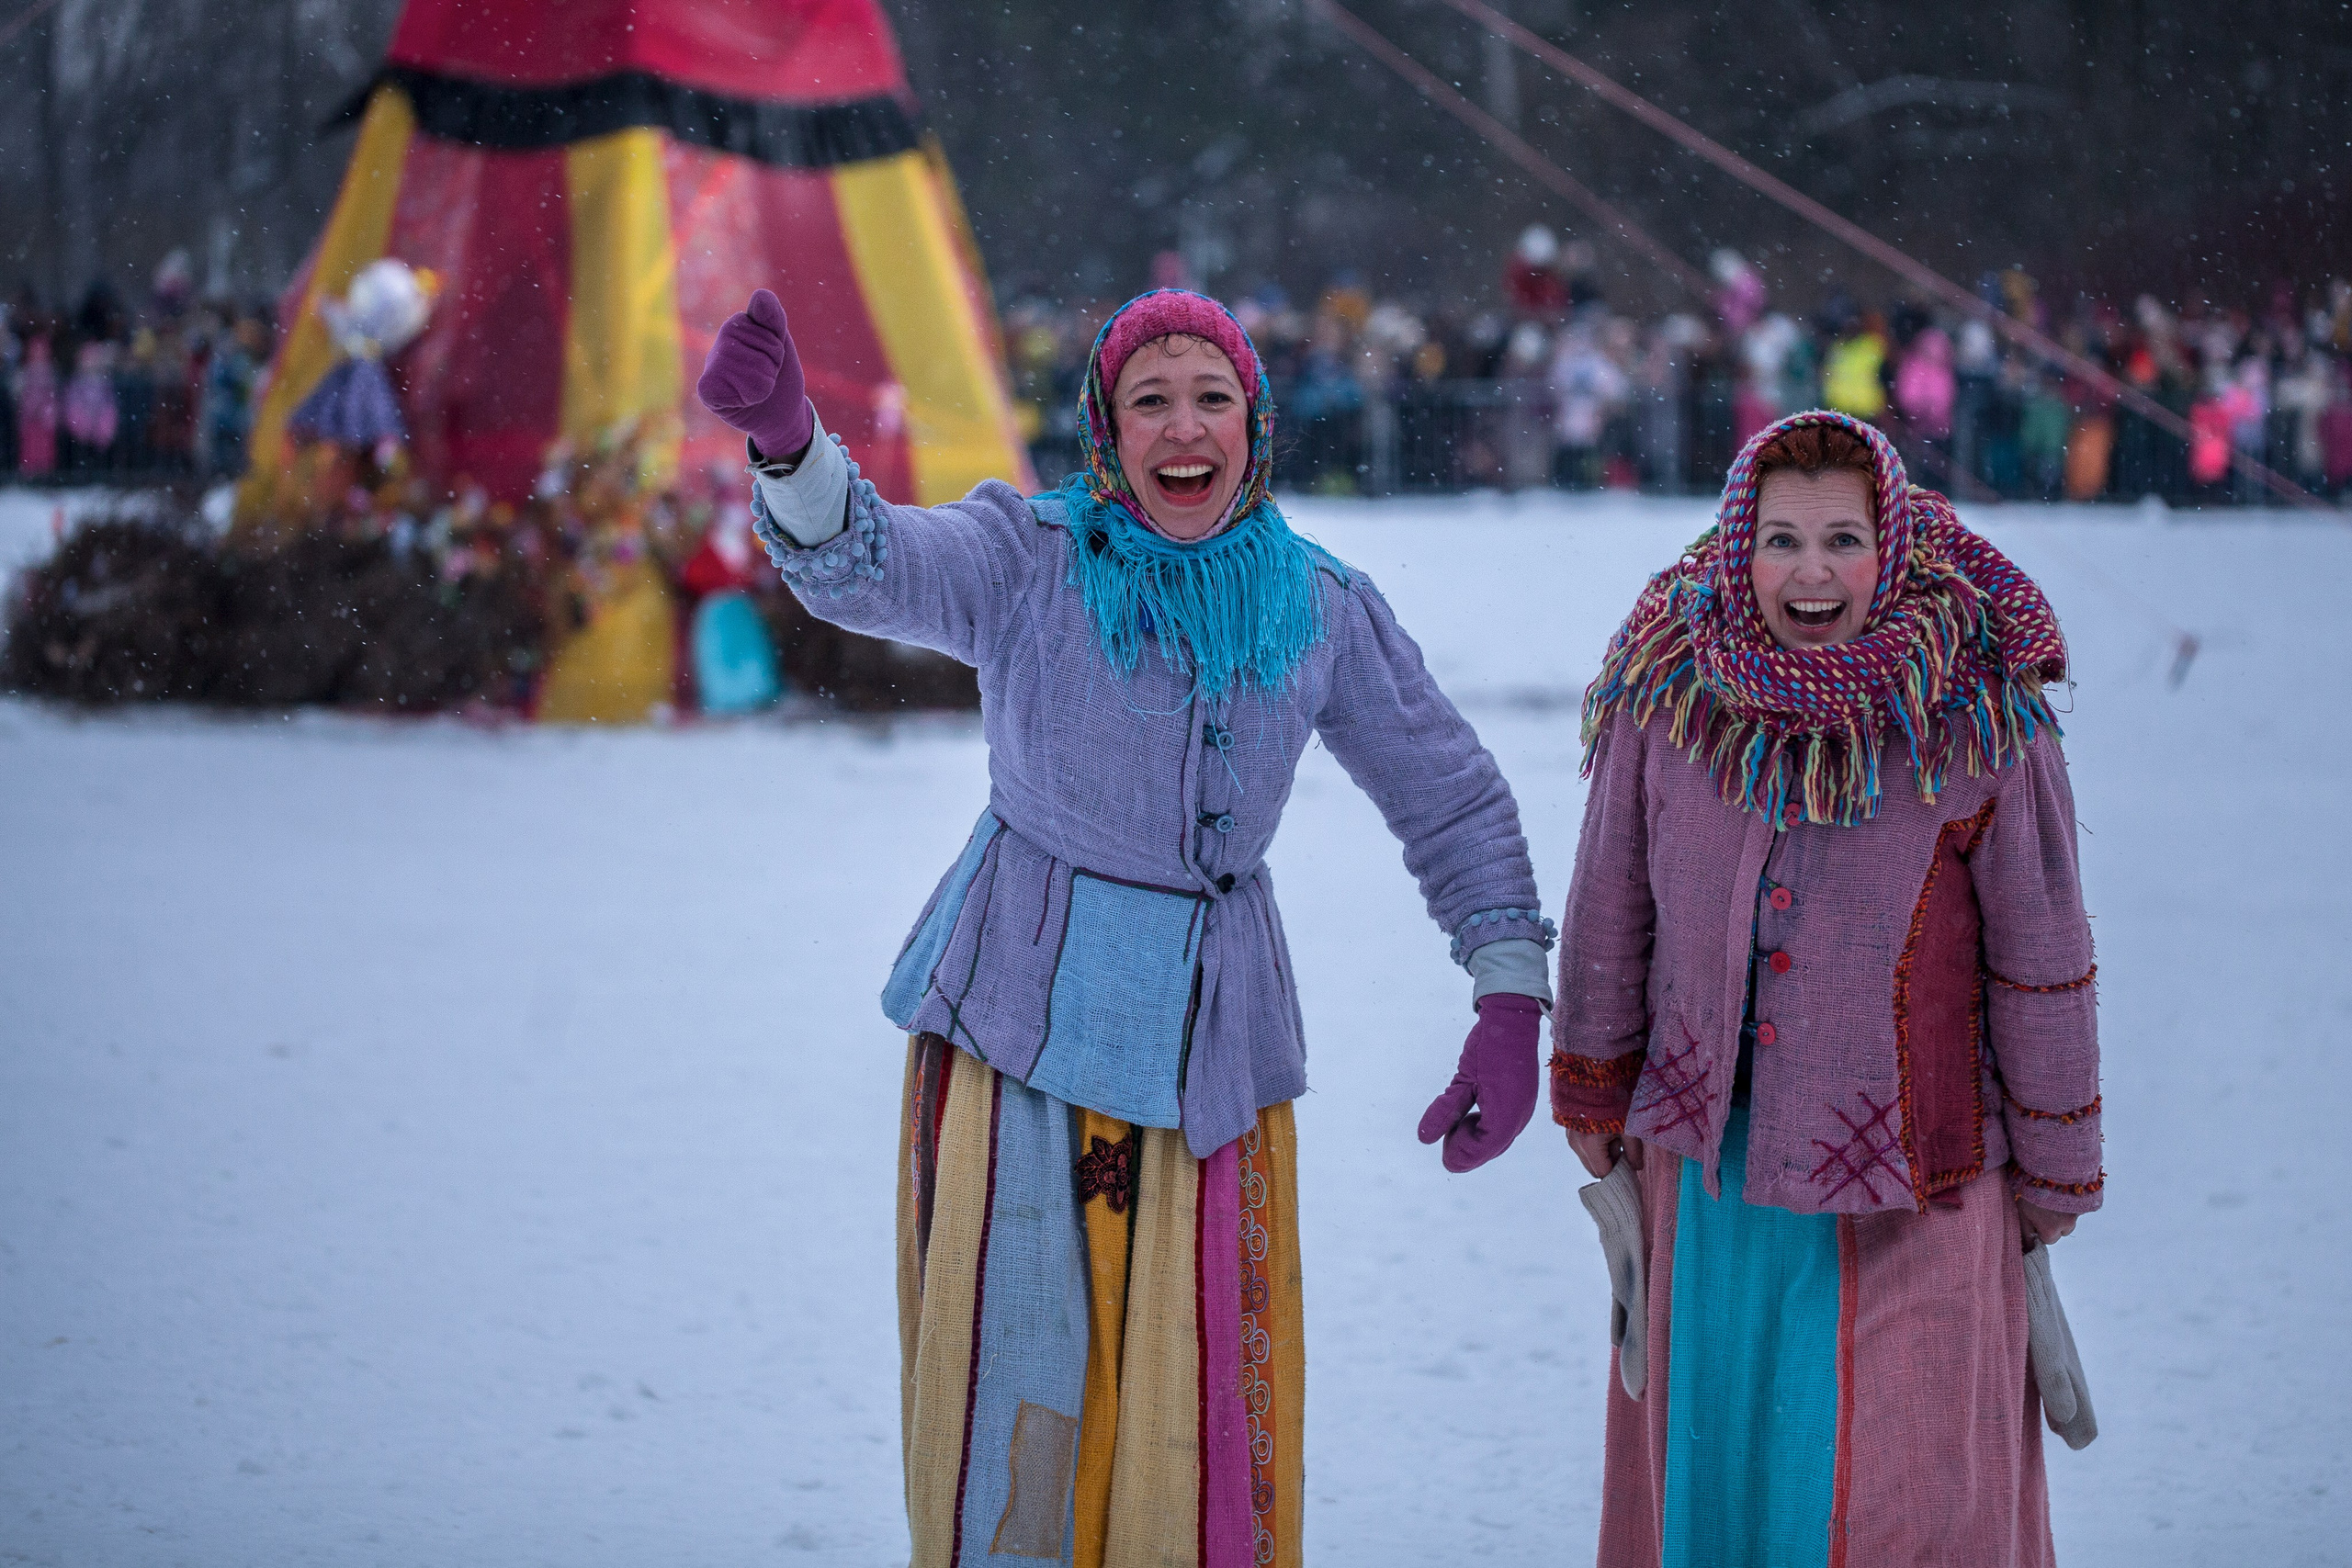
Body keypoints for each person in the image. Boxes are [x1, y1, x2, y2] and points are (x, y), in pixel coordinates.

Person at [696, 286, 1554, 1565]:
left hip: (1215, 1055)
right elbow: (870, 564)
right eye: (1149, 399)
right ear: (1107, 425)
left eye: (1210, 397)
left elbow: (1447, 789)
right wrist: (789, 445)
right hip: (1012, 1030)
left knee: (1197, 1408)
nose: (1182, 426)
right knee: (1018, 1392)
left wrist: (1506, 996)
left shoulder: (1319, 603)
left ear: (1255, 425)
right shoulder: (1027, 556)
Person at [1552, 410, 2101, 1567]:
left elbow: (2040, 955)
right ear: (1736, 545)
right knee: (1722, 1480)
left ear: (1891, 545)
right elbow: (1611, 909)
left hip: (1921, 1187)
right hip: (1713, 1185)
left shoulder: (1978, 715)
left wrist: (2056, 1166)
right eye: (1782, 540)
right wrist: (1593, 1089)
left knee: (1902, 1499)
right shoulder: (1669, 692)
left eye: (1843, 540)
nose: (1811, 573)